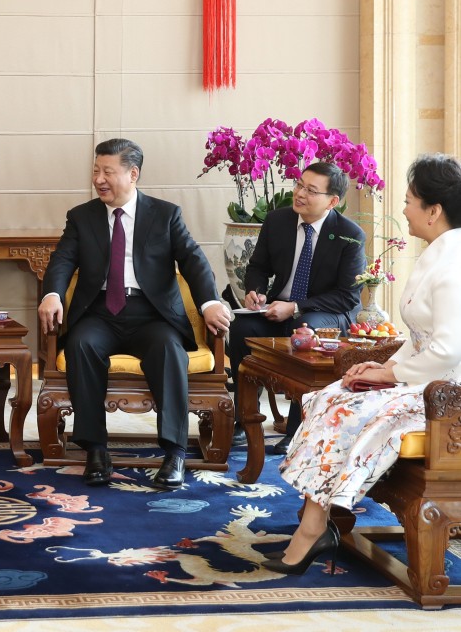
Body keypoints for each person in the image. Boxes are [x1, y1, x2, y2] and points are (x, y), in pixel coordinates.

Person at [263, 154, 461, 575]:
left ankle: (312, 529)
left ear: (434, 210)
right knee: (331, 395)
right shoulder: (436, 255)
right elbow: (419, 341)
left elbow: (447, 351)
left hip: (447, 396)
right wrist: (377, 369)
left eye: (409, 201)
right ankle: (316, 520)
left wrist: (388, 374)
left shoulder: (455, 263)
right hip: (422, 379)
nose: (403, 209)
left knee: (348, 411)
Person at [38, 138, 231, 490]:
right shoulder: (82, 217)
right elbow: (63, 260)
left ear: (133, 173)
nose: (99, 179)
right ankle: (96, 449)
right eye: (96, 171)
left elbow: (192, 260)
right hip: (99, 313)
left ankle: (174, 453)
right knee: (81, 345)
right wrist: (53, 294)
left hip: (151, 314)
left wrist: (210, 303)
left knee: (168, 350)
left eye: (107, 172)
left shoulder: (165, 214)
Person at [228, 162, 366, 452]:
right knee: (242, 327)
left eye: (311, 190)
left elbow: (347, 296)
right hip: (278, 307)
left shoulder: (349, 235)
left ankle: (296, 429)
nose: (300, 193)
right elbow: (258, 266)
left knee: (305, 329)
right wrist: (255, 291)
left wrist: (295, 307)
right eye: (299, 184)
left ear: (332, 201)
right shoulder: (278, 221)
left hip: (324, 312)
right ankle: (243, 419)